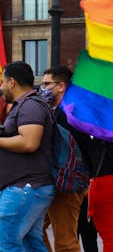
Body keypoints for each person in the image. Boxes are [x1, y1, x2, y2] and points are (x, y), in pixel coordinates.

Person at [39, 66, 97, 252]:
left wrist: (88, 178)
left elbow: (87, 146)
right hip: (52, 180)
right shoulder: (52, 111)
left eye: (47, 84)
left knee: (65, 240)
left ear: (61, 86)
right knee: (32, 230)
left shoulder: (73, 112)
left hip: (69, 182)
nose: (43, 88)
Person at [0, 61, 56, 251]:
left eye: (2, 82)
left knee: (6, 242)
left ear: (12, 82)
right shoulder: (24, 105)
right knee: (31, 243)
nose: (1, 87)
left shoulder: (29, 106)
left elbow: (29, 142)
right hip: (29, 186)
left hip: (26, 187)